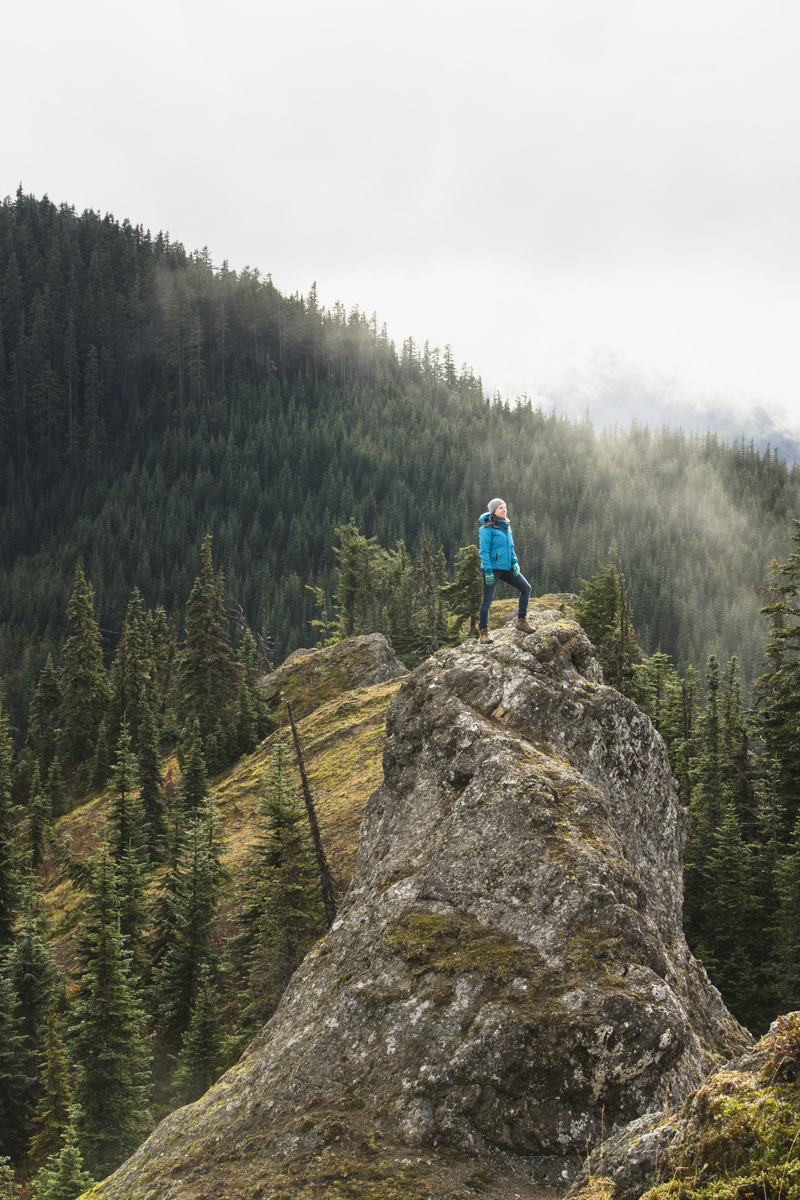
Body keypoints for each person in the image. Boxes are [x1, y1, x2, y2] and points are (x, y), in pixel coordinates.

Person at [477, 498, 534, 644]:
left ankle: (521, 621)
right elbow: (483, 551)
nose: (504, 510)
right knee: (487, 601)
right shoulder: (486, 529)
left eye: (505, 507)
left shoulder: (506, 526)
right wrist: (488, 570)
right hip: (493, 569)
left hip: (507, 567)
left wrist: (515, 563)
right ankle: (483, 633)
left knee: (526, 588)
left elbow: (511, 547)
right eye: (501, 508)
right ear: (494, 511)